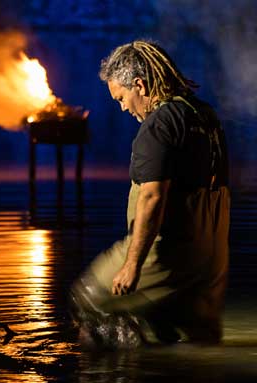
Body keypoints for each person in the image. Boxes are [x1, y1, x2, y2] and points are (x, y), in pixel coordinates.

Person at [71, 40, 230, 345]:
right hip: (212, 255)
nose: (123, 108)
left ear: (140, 86)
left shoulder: (158, 126)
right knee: (196, 332)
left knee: (88, 298)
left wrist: (133, 264)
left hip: (170, 251)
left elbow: (152, 197)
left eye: (121, 98)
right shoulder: (204, 114)